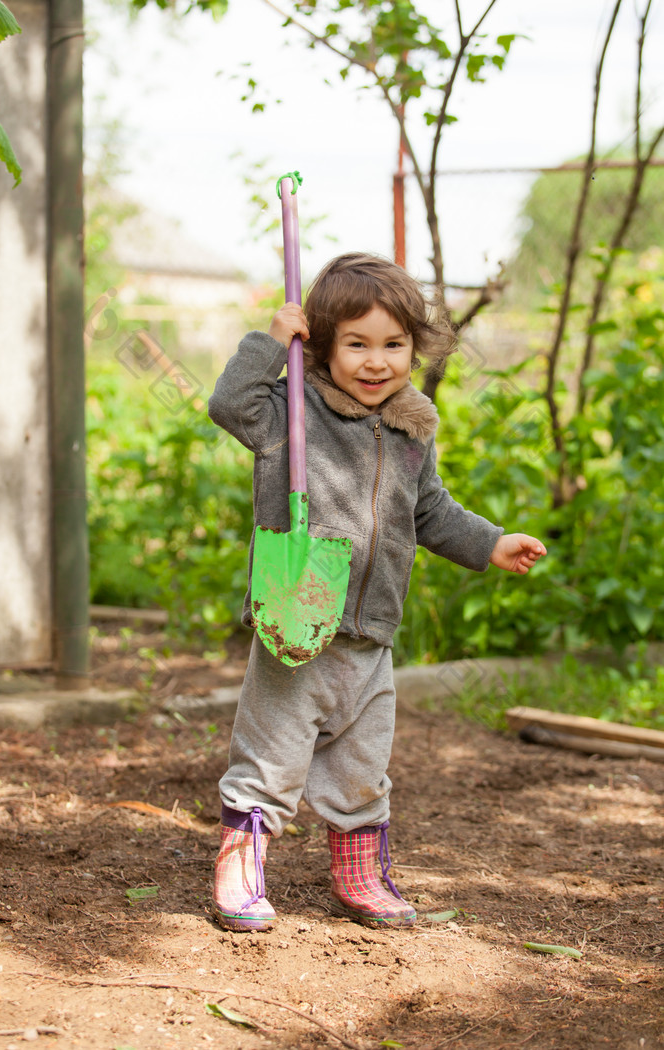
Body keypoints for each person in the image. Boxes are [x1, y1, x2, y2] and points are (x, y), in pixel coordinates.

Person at [207, 252, 546, 933]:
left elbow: (433, 515)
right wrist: (273, 343)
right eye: (356, 344)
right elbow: (228, 402)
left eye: (393, 345)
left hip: (371, 634)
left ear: (414, 350)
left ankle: (359, 871)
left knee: (363, 764)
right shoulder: (288, 411)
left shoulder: (411, 430)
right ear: (323, 346)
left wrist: (491, 543)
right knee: (272, 753)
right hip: (299, 617)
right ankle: (241, 863)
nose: (376, 362)